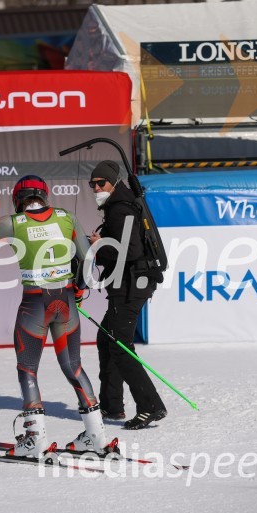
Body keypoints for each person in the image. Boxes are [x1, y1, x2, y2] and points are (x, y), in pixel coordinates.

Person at [0, 175, 113, 458]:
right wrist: (78, 290)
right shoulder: (66, 217)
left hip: (35, 304)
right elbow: (85, 259)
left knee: (28, 369)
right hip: (64, 300)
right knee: (74, 366)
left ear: (18, 200)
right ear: (45, 196)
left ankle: (35, 440)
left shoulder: (13, 222)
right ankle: (98, 437)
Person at [88, 160, 167, 430]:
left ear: (114, 183)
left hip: (131, 285)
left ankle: (150, 407)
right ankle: (112, 405)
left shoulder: (120, 209)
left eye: (102, 183)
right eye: (93, 184)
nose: (97, 188)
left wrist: (99, 246)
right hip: (130, 283)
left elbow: (130, 252)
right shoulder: (120, 204)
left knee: (120, 347)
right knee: (107, 338)